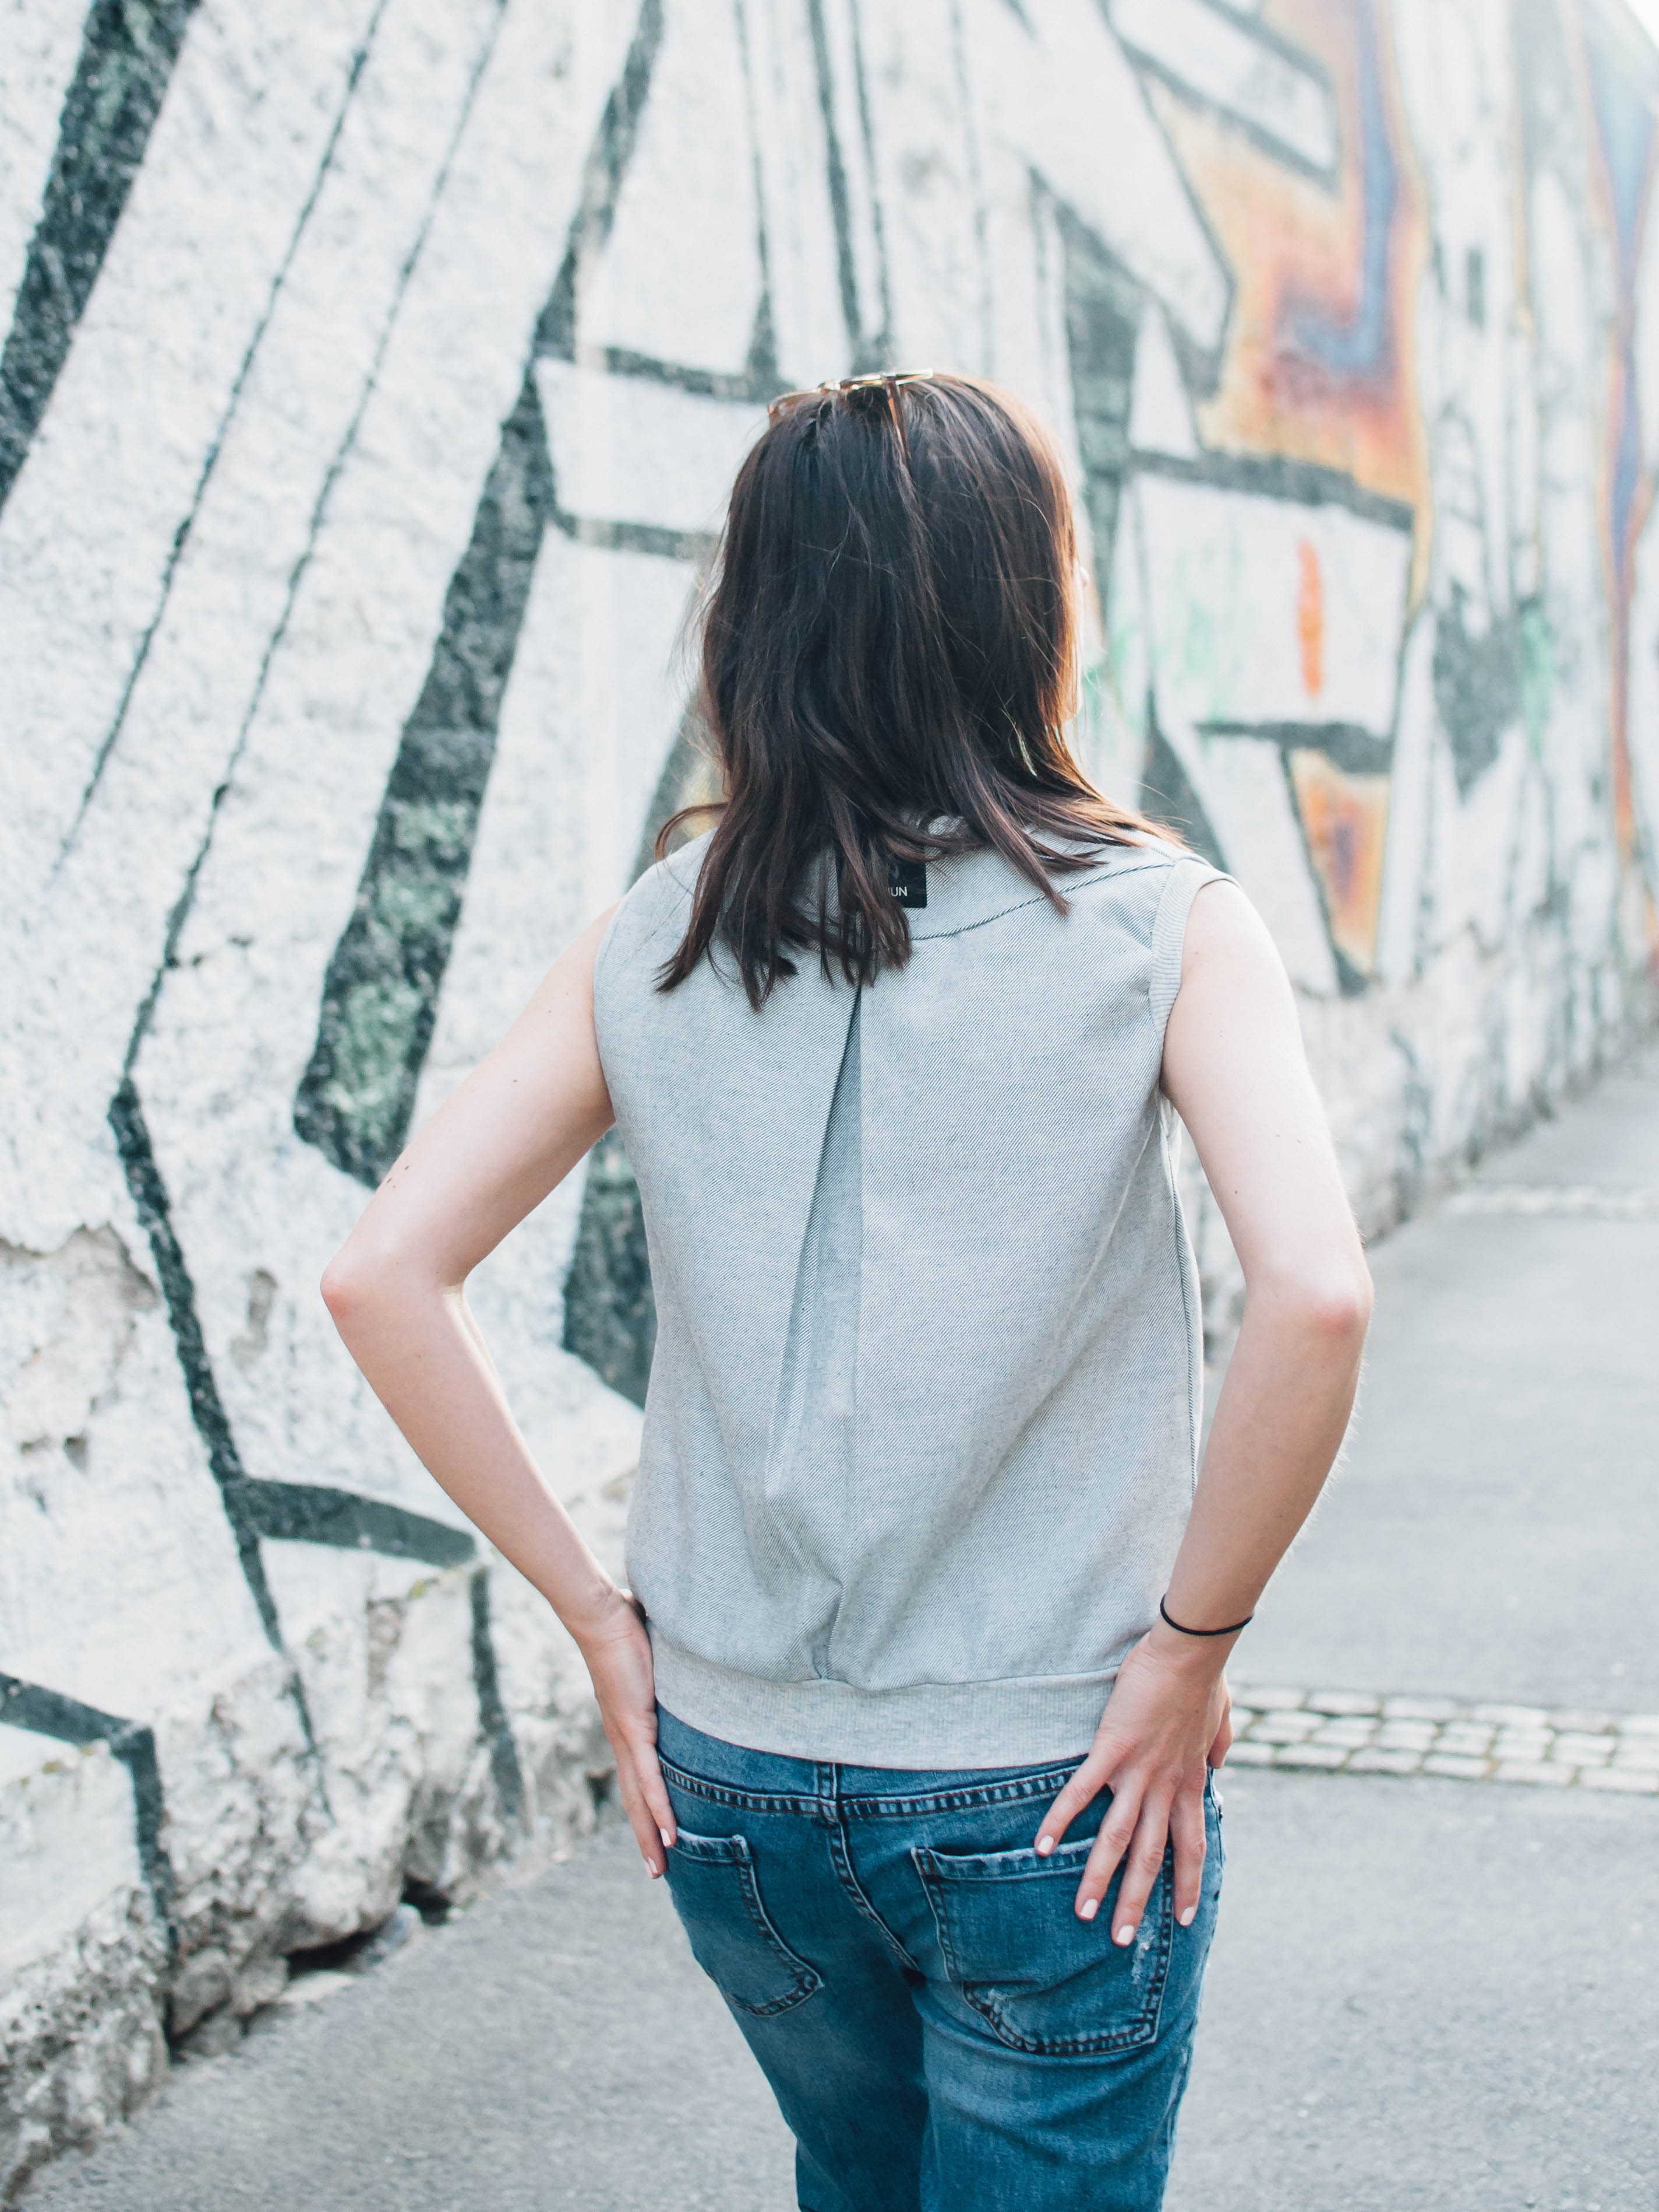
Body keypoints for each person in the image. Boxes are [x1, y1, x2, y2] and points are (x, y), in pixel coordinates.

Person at [322, 370, 1372, 2211]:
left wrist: (599, 1622)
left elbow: (382, 1273)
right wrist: (1191, 1650)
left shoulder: (657, 933)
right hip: (1053, 1770)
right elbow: (1319, 1297)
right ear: (1031, 605)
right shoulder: (1164, 925)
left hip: (736, 1777)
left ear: (757, 621)